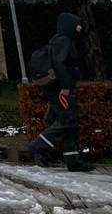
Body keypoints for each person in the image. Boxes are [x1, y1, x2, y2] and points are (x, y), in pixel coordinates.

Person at [27, 12, 95, 172]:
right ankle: (38, 146)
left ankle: (73, 161)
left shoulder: (59, 40)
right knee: (67, 121)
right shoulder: (64, 41)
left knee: (68, 125)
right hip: (60, 89)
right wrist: (65, 86)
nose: (79, 27)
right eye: (77, 24)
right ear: (70, 25)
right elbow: (60, 64)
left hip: (57, 88)